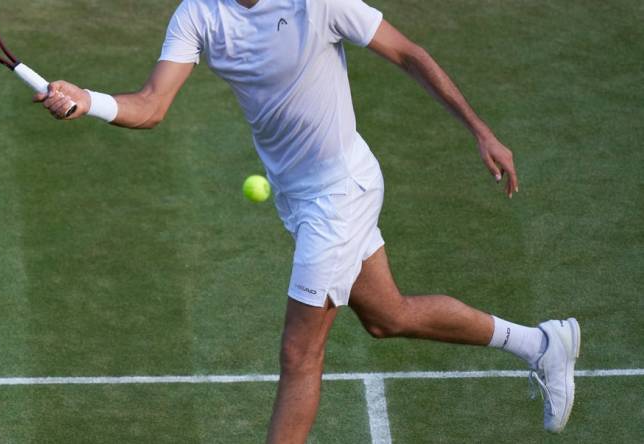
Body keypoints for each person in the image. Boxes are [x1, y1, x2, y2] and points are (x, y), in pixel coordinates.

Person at [35, 0, 580, 441]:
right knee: (387, 315)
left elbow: (408, 53)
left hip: (342, 189)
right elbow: (152, 105)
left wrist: (480, 130)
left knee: (299, 352)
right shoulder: (198, 14)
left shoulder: (318, 4)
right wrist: (90, 100)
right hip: (299, 197)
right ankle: (542, 345)